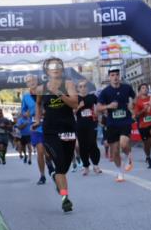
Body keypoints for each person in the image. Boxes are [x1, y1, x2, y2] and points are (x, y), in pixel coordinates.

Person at [34, 57, 79, 213]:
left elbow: (74, 104)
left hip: (68, 129)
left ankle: (54, 176)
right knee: (59, 164)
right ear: (47, 71)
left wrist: (58, 93)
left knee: (64, 166)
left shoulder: (68, 84)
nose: (55, 69)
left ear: (62, 69)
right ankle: (65, 198)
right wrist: (37, 120)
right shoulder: (41, 89)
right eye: (52, 67)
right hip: (50, 131)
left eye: (58, 66)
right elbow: (38, 104)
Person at [97, 69, 136, 182]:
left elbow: (135, 98)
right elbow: (98, 108)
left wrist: (132, 104)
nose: (115, 77)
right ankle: (120, 172)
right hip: (112, 124)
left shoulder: (127, 88)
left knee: (123, 144)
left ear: (120, 76)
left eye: (117, 75)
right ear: (109, 77)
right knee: (114, 152)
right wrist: (108, 106)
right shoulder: (105, 92)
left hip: (125, 121)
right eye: (112, 75)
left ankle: (128, 157)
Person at [22, 75, 54, 183]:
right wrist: (26, 114)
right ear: (26, 84)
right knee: (40, 150)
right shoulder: (26, 97)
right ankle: (42, 175)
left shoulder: (45, 93)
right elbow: (23, 111)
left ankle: (49, 162)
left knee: (48, 152)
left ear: (37, 81)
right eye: (28, 81)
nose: (31, 82)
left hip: (48, 124)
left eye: (33, 80)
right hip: (35, 127)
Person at [75, 80, 103, 175]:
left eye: (84, 86)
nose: (83, 88)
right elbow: (72, 112)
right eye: (80, 86)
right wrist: (79, 106)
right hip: (80, 125)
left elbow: (99, 106)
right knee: (82, 146)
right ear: (78, 88)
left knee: (92, 143)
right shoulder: (75, 98)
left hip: (92, 124)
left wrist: (97, 112)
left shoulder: (92, 97)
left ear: (87, 88)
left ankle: (96, 165)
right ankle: (86, 166)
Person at [133, 82, 151, 168]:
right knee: (146, 144)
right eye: (143, 88)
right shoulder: (138, 102)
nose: (145, 89)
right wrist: (143, 110)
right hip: (143, 125)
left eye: (146, 88)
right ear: (139, 91)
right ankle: (148, 157)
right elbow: (136, 115)